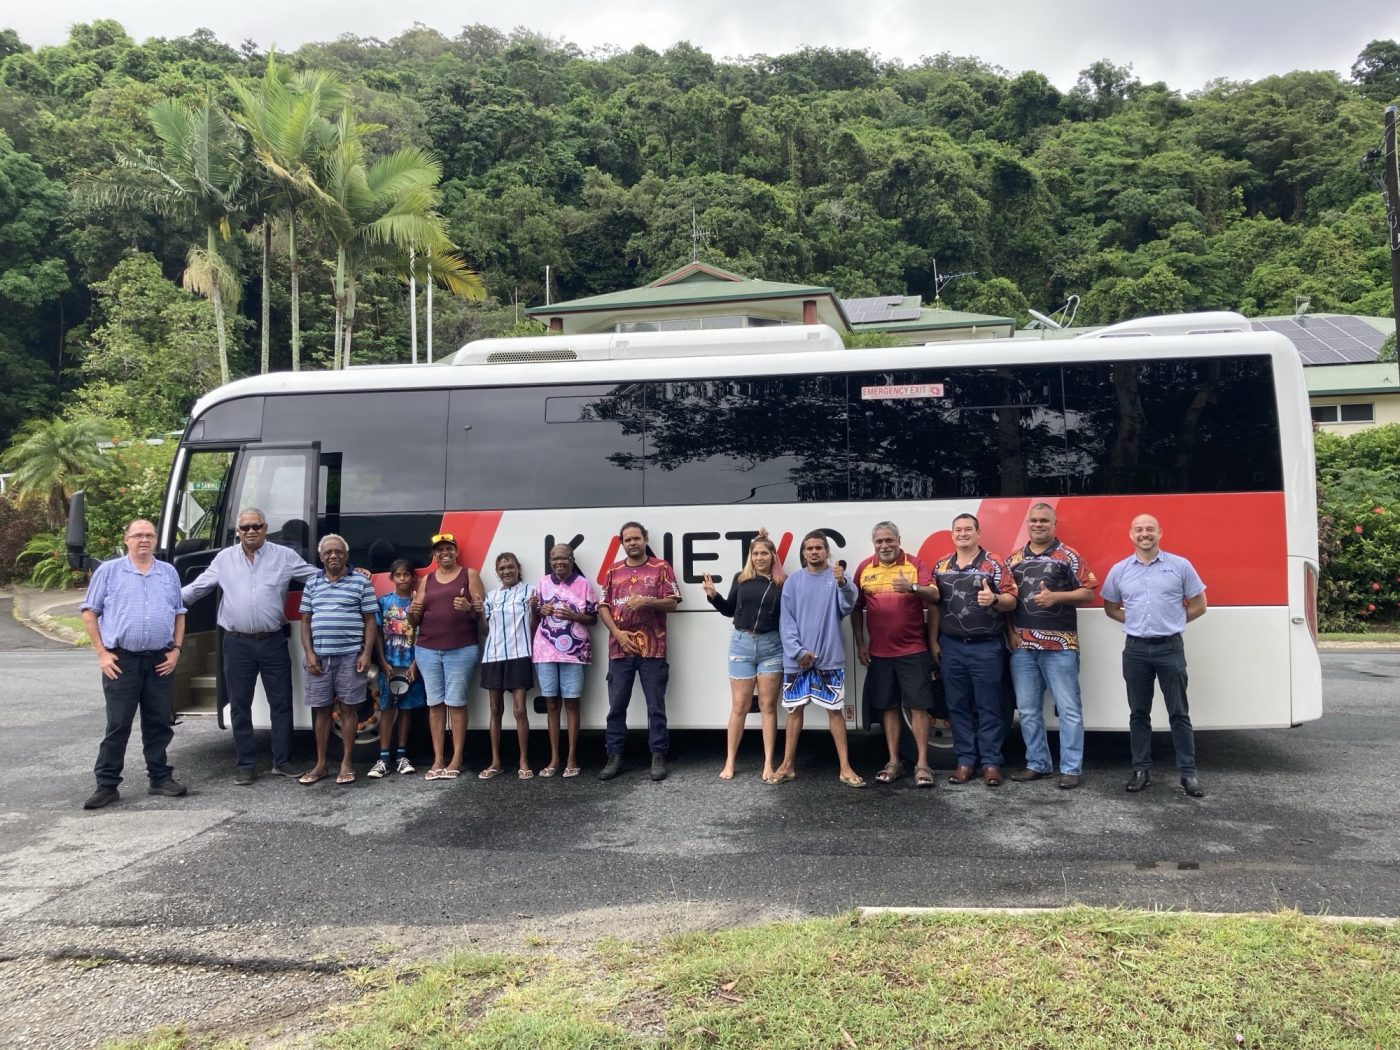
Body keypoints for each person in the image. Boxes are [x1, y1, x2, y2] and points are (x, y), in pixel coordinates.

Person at [182, 507, 319, 785]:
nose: (251, 531)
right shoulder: (224, 559)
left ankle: (282, 761)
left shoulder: (284, 557)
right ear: (238, 532)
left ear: (266, 528)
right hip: (237, 643)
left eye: (256, 526)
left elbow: (317, 577)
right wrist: (164, 600)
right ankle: (246, 764)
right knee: (239, 705)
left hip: (272, 642)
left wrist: (352, 574)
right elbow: (197, 589)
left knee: (281, 703)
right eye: (245, 528)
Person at [80, 519, 188, 810]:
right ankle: (107, 785)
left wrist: (176, 650)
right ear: (126, 539)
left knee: (158, 723)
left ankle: (160, 778)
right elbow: (89, 613)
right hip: (122, 660)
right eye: (138, 535)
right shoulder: (109, 571)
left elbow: (179, 613)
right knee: (118, 725)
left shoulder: (168, 573)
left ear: (155, 541)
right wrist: (102, 654)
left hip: (159, 660)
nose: (144, 540)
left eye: (149, 535)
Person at [1101, 513, 1209, 798]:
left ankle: (1188, 774)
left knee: (1179, 713)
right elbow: (1110, 607)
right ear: (1130, 534)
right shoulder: (1120, 570)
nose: (1144, 533)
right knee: (1138, 713)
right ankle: (1140, 770)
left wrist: (1172, 621)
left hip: (1170, 648)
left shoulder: (1180, 566)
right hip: (1135, 649)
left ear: (1160, 533)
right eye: (1139, 529)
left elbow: (1199, 605)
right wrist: (1134, 620)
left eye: (1150, 529)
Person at [1006, 503, 1098, 790]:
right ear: (1027, 524)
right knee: (1028, 709)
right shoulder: (1014, 560)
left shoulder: (1068, 556)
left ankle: (1070, 769)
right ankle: (1038, 764)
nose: (1038, 524)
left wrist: (1056, 598)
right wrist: (1009, 632)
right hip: (1023, 648)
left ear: (1054, 524)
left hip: (1061, 646)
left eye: (1044, 520)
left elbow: (1088, 592)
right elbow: (1005, 601)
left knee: (1069, 708)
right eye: (1033, 520)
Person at [930, 513, 1017, 787]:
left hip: (986, 647)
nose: (963, 533)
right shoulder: (941, 566)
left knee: (990, 706)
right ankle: (965, 761)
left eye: (968, 529)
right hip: (952, 646)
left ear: (978, 533)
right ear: (952, 534)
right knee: (957, 706)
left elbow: (1012, 600)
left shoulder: (994, 563)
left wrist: (994, 599)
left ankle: (991, 763)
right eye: (958, 529)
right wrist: (933, 640)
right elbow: (934, 607)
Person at [774, 530, 864, 788]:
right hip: (797, 661)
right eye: (809, 548)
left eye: (819, 548)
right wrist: (799, 652)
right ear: (803, 553)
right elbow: (786, 621)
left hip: (829, 659)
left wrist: (843, 585)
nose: (814, 552)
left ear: (827, 551)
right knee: (794, 711)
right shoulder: (793, 581)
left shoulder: (839, 577)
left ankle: (845, 768)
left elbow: (847, 606)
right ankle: (787, 765)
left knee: (835, 711)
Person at [851, 521, 938, 788]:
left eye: (889, 540)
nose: (885, 545)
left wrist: (912, 587)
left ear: (899, 540)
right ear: (873, 543)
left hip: (913, 650)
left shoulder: (914, 564)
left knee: (918, 708)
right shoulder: (865, 568)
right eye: (879, 541)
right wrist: (860, 643)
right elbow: (856, 608)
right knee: (888, 707)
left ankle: (922, 764)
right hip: (880, 653)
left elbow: (935, 596)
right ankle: (894, 762)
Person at [597, 522, 681, 782]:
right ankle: (615, 757)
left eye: (636, 538)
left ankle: (658, 755)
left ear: (645, 539)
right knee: (617, 706)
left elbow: (673, 603)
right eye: (627, 539)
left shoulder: (661, 568)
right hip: (620, 648)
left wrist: (646, 601)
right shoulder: (613, 570)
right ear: (621, 543)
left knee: (655, 705)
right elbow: (602, 607)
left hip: (653, 649)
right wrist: (618, 634)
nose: (632, 543)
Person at [702, 533, 785, 782]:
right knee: (739, 706)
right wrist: (713, 595)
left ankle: (769, 763)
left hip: (772, 646)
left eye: (764, 553)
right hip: (741, 644)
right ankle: (729, 762)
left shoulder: (783, 582)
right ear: (750, 556)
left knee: (767, 707)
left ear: (772, 556)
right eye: (755, 554)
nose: (759, 558)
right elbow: (729, 611)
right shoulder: (741, 578)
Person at [297, 534, 377, 785]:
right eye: (328, 552)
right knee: (321, 711)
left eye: (338, 552)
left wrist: (366, 653)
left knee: (348, 709)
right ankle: (320, 765)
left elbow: (370, 621)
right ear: (321, 557)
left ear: (346, 555)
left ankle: (346, 764)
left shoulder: (361, 583)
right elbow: (306, 621)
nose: (333, 555)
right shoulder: (312, 583)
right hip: (319, 658)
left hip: (351, 656)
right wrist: (309, 654)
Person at [408, 531, 484, 781]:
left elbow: (481, 615)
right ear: (434, 555)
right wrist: (411, 613)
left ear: (456, 551)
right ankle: (438, 758)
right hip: (428, 649)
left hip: (461, 648)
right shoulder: (426, 579)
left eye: (449, 548)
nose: (445, 553)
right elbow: (415, 619)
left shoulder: (470, 575)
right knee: (435, 705)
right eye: (440, 550)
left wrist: (468, 610)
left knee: (457, 703)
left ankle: (457, 758)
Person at [532, 544, 597, 778]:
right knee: (551, 704)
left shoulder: (583, 584)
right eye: (555, 558)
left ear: (572, 559)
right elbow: (536, 616)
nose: (559, 562)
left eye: (564, 558)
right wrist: (538, 610)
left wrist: (575, 616)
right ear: (550, 561)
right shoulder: (542, 583)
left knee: (571, 703)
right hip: (545, 651)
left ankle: (571, 758)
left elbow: (593, 619)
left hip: (574, 652)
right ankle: (554, 759)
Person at [479, 552, 537, 780]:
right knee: (495, 710)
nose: (506, 571)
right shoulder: (491, 596)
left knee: (519, 710)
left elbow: (534, 625)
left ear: (518, 567)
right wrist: (475, 612)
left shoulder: (530, 591)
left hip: (520, 653)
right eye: (501, 568)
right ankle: (495, 761)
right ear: (497, 571)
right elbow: (485, 630)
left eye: (510, 566)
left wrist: (535, 609)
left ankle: (523, 759)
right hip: (493, 655)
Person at [369, 559, 428, 779]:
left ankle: (402, 756)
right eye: (398, 575)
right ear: (391, 578)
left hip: (411, 666)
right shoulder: (384, 602)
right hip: (390, 667)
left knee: (406, 711)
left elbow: (423, 633)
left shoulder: (418, 603)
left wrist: (415, 664)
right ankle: (383, 758)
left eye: (406, 575)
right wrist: (382, 662)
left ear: (413, 577)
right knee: (386, 710)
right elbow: (376, 634)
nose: (402, 579)